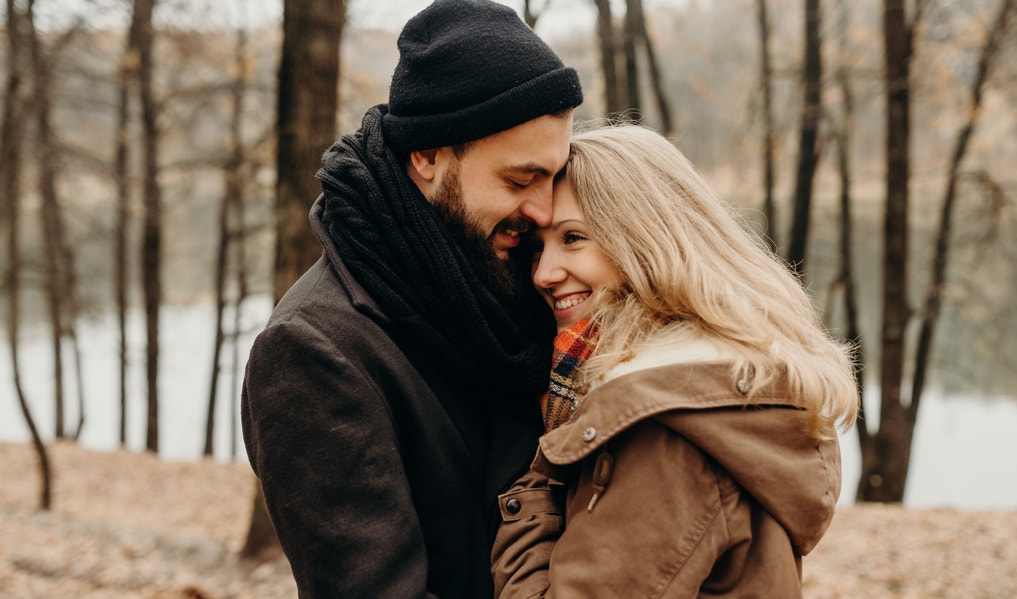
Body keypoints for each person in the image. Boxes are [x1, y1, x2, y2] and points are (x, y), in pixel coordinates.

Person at [239, 1, 583, 597]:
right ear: (426, 156)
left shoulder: (524, 284)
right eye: (518, 179)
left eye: (552, 177)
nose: (543, 210)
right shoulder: (314, 351)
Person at [491, 125, 860, 597]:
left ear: (646, 240)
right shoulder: (720, 378)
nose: (543, 273)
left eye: (575, 238)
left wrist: (538, 482)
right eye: (539, 247)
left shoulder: (663, 424)